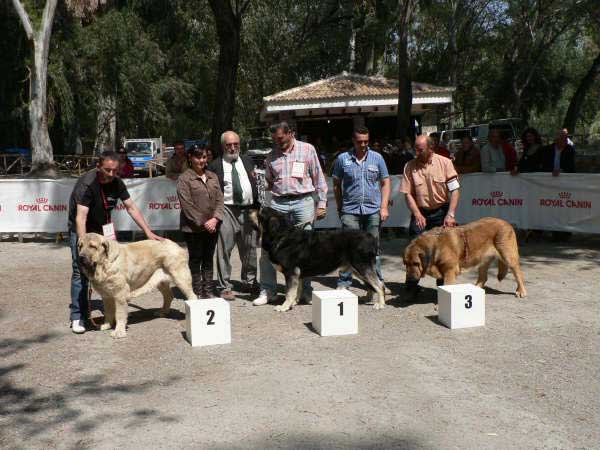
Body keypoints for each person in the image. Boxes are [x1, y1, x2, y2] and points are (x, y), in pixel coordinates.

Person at [67, 151, 163, 334]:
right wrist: (83, 243)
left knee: (112, 268)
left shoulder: (117, 182)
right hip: (83, 231)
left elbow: (131, 207)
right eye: (107, 170)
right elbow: (81, 218)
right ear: (98, 167)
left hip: (104, 230)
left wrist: (148, 232)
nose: (111, 174)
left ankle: (112, 314)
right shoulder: (87, 184)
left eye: (115, 170)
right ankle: (77, 317)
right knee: (81, 271)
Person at [253, 121, 328, 306]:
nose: (277, 142)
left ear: (290, 133)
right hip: (278, 204)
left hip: (304, 202)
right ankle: (268, 291)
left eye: (280, 138)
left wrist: (322, 203)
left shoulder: (308, 150)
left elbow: (319, 177)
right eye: (274, 139)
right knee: (267, 249)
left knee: (306, 248)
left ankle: (305, 292)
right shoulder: (271, 156)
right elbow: (270, 182)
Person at [332, 126, 391, 293]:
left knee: (373, 248)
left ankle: (376, 282)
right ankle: (344, 282)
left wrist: (384, 207)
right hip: (350, 211)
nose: (363, 144)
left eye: (366, 141)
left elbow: (386, 182)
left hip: (373, 211)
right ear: (353, 141)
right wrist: (340, 206)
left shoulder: (377, 158)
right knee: (347, 248)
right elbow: (336, 185)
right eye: (360, 141)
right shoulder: (342, 159)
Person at [400, 135, 460, 289]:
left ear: (430, 149)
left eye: (420, 150)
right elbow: (408, 194)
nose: (416, 152)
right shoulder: (409, 166)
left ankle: (443, 288)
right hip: (420, 212)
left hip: (442, 212)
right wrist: (417, 214)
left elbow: (455, 191)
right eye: (415, 149)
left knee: (443, 252)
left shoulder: (445, 163)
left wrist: (450, 214)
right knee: (414, 250)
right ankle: (411, 286)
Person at [208, 131, 260, 301]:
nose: (232, 147)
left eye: (235, 144)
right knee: (224, 249)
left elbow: (255, 183)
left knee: (250, 249)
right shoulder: (215, 166)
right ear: (223, 146)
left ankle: (250, 282)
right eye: (229, 145)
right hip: (226, 210)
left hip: (248, 210)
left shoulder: (248, 160)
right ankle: (224, 286)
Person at [177, 146, 224, 298]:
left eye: (204, 157)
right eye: (198, 157)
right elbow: (187, 205)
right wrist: (205, 222)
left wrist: (215, 219)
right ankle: (196, 291)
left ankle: (208, 290)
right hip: (193, 229)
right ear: (190, 158)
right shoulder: (184, 179)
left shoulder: (213, 176)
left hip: (213, 226)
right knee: (196, 258)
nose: (201, 160)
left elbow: (219, 200)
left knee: (208, 258)